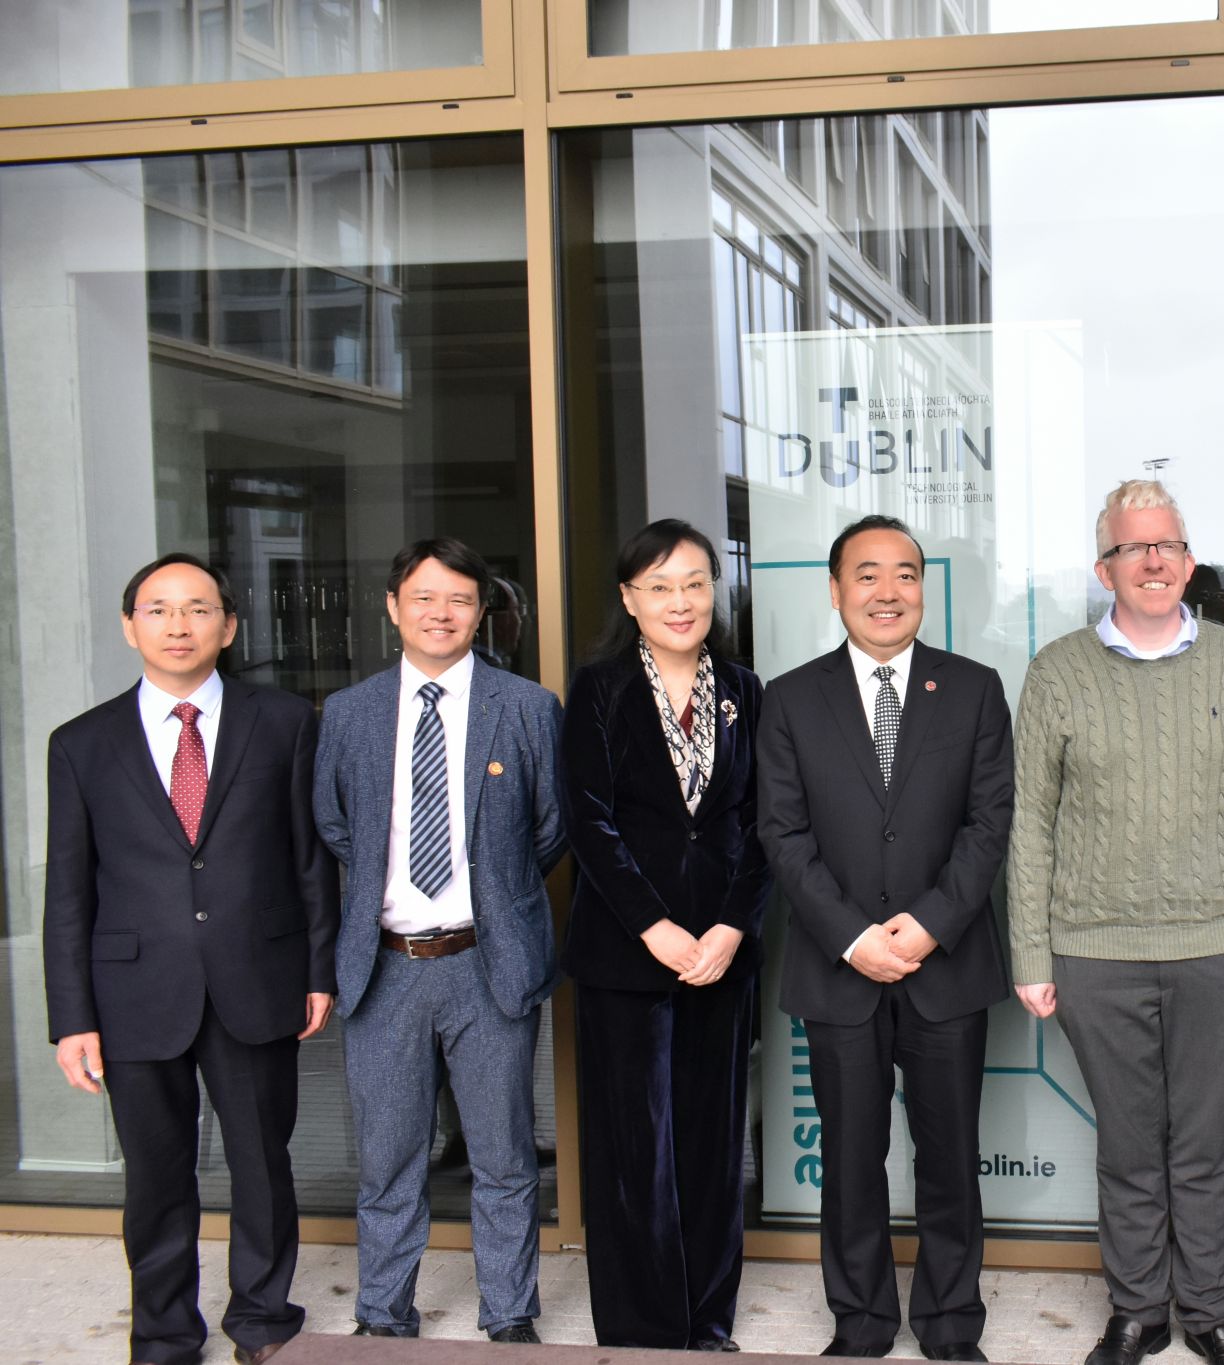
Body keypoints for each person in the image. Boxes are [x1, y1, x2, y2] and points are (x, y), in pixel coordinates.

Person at [1010, 479, 1224, 1365]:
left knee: (1207, 1145)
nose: (1152, 560)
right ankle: (1138, 1309)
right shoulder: (1057, 670)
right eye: (1133, 547)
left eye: (1166, 544)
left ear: (1189, 561)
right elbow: (1031, 821)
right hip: (1096, 952)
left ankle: (1210, 1311)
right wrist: (1031, 951)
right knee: (1130, 1146)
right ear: (1105, 569)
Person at [43, 553, 339, 1365]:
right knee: (156, 1174)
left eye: (199, 608)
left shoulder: (283, 721)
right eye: (159, 609)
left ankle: (263, 1317)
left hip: (257, 976)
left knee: (262, 1163)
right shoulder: (81, 743)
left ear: (229, 625)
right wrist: (72, 1017)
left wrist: (318, 969)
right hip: (133, 990)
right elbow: (67, 890)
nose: (179, 625)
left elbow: (310, 860)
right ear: (129, 625)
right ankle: (165, 1331)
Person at [757, 513, 1014, 1361]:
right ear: (836, 590)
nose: (887, 591)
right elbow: (782, 832)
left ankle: (950, 1322)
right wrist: (852, 936)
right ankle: (861, 1322)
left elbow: (989, 822)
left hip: (947, 966)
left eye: (905, 573)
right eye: (867, 574)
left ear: (923, 588)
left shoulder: (973, 688)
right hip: (840, 970)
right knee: (850, 1161)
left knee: (951, 1160)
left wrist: (931, 923)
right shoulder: (791, 697)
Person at [313, 537, 567, 1344]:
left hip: (486, 962)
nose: (441, 612)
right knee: (389, 1159)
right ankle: (384, 1313)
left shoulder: (526, 707)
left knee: (503, 1157)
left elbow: (550, 828)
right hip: (386, 966)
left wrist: (492, 896)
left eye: (459, 598)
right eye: (424, 596)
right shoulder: (349, 712)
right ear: (394, 606)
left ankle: (510, 1313)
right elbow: (335, 824)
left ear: (480, 610)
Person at [561, 519, 770, 1350]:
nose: (679, 601)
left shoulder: (744, 690)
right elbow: (588, 819)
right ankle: (642, 1327)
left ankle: (708, 1318)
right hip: (626, 953)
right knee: (632, 1151)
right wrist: (653, 925)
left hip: (721, 953)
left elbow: (764, 822)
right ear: (629, 598)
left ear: (714, 589)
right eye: (659, 586)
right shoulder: (600, 688)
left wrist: (730, 926)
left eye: (693, 583)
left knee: (713, 1145)